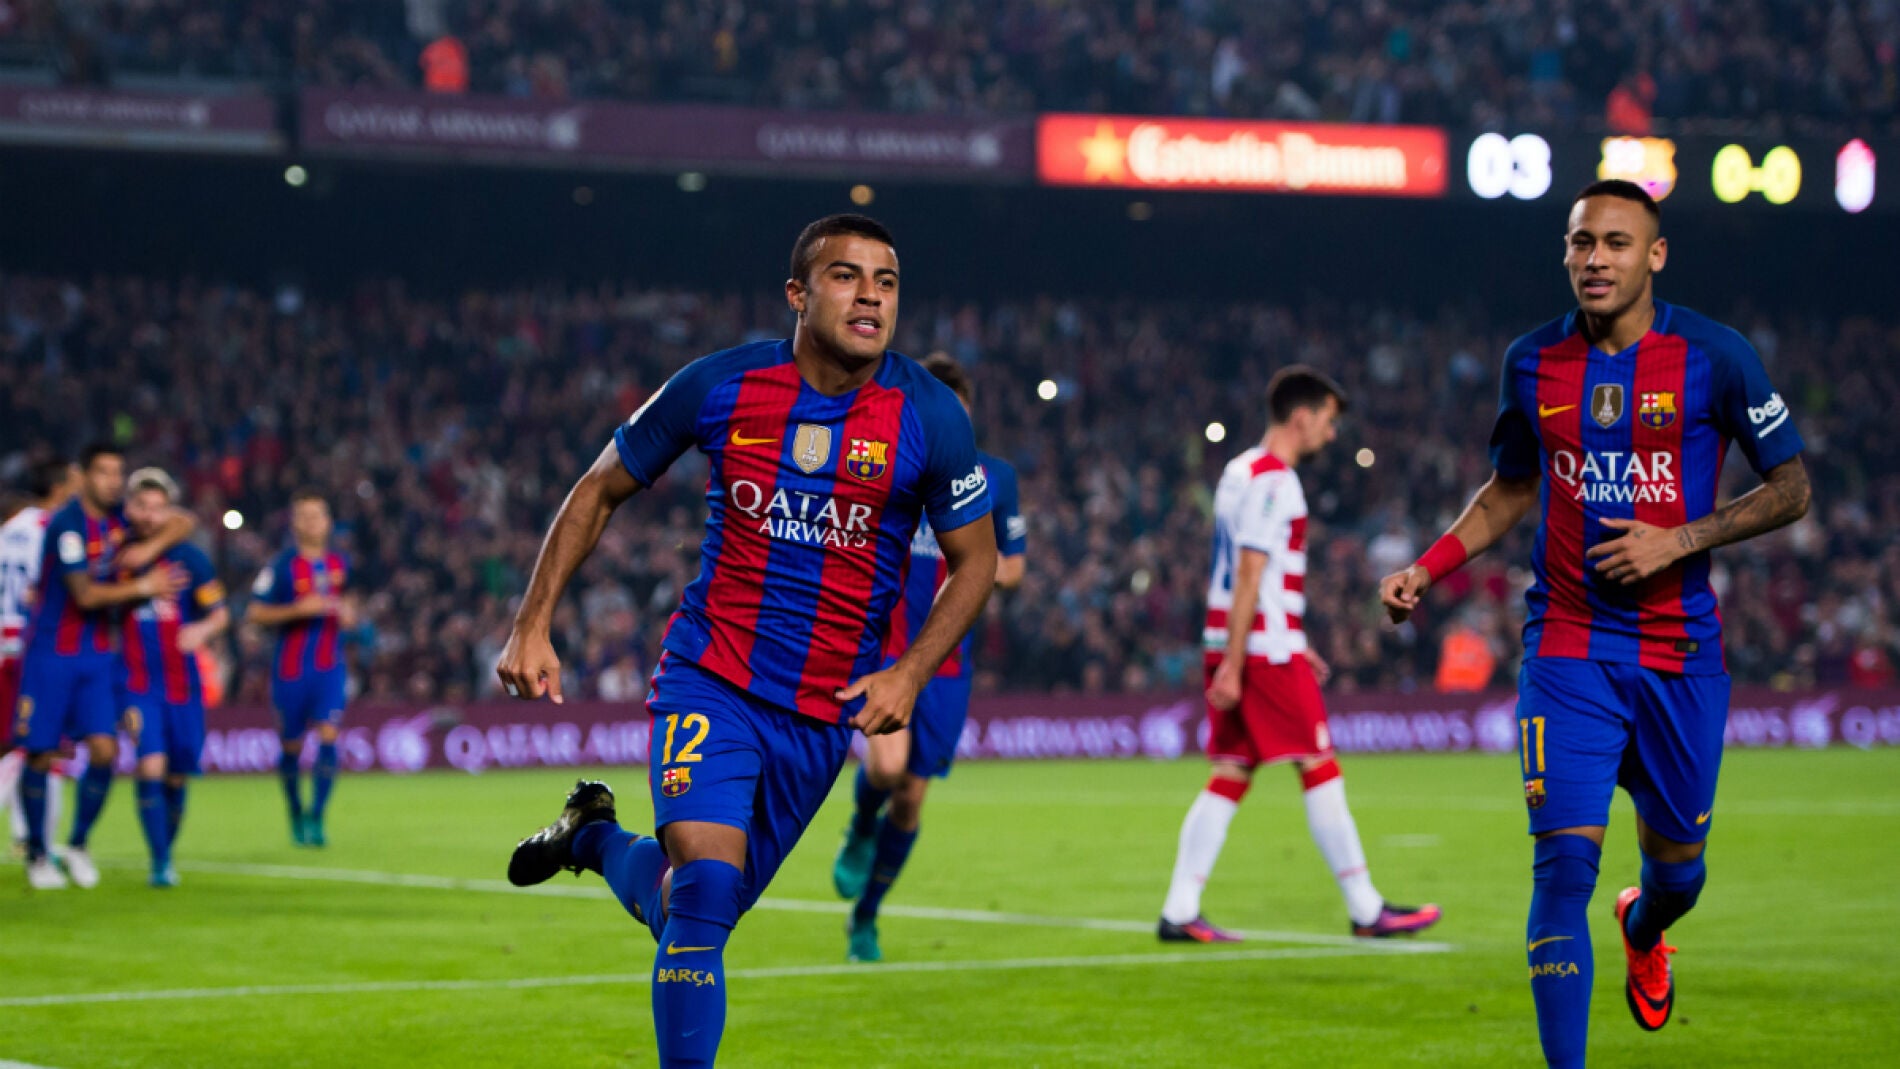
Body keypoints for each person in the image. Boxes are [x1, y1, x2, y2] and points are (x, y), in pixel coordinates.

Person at [496, 213, 997, 1069]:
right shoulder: (720, 385)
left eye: (887, 279)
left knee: (688, 906)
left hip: (818, 713)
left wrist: (911, 671)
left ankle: (590, 837)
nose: (871, 293)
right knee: (702, 895)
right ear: (799, 294)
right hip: (714, 677)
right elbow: (598, 489)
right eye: (846, 275)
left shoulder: (930, 413)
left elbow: (976, 559)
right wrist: (532, 620)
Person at [1379, 179, 1811, 1068]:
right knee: (1561, 871)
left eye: (1617, 243)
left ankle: (1645, 926)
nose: (1595, 259)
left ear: (1655, 256)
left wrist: (1680, 539)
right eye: (1581, 243)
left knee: (1678, 871)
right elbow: (1509, 489)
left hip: (1680, 652)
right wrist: (1428, 566)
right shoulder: (1531, 362)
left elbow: (1793, 488)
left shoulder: (1717, 357)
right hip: (1568, 644)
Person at [1160, 367, 1442, 943]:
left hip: (1242, 640)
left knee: (1231, 772)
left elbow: (1248, 576)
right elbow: (1250, 572)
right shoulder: (1274, 480)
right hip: (1259, 651)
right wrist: (1248, 658)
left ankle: (1180, 911)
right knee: (1319, 764)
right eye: (1329, 422)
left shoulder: (1237, 471)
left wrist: (1289, 637)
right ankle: (1366, 908)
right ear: (1301, 417)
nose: (1332, 435)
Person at [831, 350, 1027, 963]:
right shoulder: (894, 466)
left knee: (913, 797)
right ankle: (861, 825)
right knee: (886, 771)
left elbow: (1013, 566)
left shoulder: (995, 477)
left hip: (945, 659)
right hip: (883, 647)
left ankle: (867, 917)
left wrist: (974, 570)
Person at [12, 443, 193, 890]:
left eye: (118, 473)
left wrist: (148, 548)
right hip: (51, 653)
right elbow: (86, 596)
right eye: (104, 472)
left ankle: (76, 843)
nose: (113, 480)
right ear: (83, 476)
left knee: (106, 751)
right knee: (39, 752)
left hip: (95, 658)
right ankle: (37, 852)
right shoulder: (68, 525)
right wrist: (145, 585)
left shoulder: (118, 525)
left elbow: (184, 521)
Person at [119, 468, 229, 887]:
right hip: (136, 682)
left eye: (158, 507)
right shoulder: (118, 554)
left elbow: (220, 614)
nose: (149, 515)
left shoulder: (190, 558)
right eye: (142, 506)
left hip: (183, 684)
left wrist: (202, 629)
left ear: (169, 510)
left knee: (178, 772)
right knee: (150, 764)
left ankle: (165, 852)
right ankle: (160, 860)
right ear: (130, 508)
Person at [248, 490, 353, 847]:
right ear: (294, 523)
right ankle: (295, 809)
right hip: (291, 670)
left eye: (318, 515)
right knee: (291, 747)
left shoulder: (341, 564)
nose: (312, 522)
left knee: (328, 734)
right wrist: (297, 610)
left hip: (329, 668)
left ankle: (317, 816)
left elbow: (351, 609)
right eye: (305, 516)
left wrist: (350, 615)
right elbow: (255, 612)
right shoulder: (280, 566)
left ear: (328, 522)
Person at [0, 459, 80, 862]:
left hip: (4, 644)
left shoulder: (7, 531)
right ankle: (40, 846)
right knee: (40, 747)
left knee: (19, 745)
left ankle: (25, 836)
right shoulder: (53, 531)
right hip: (34, 650)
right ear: (60, 487)